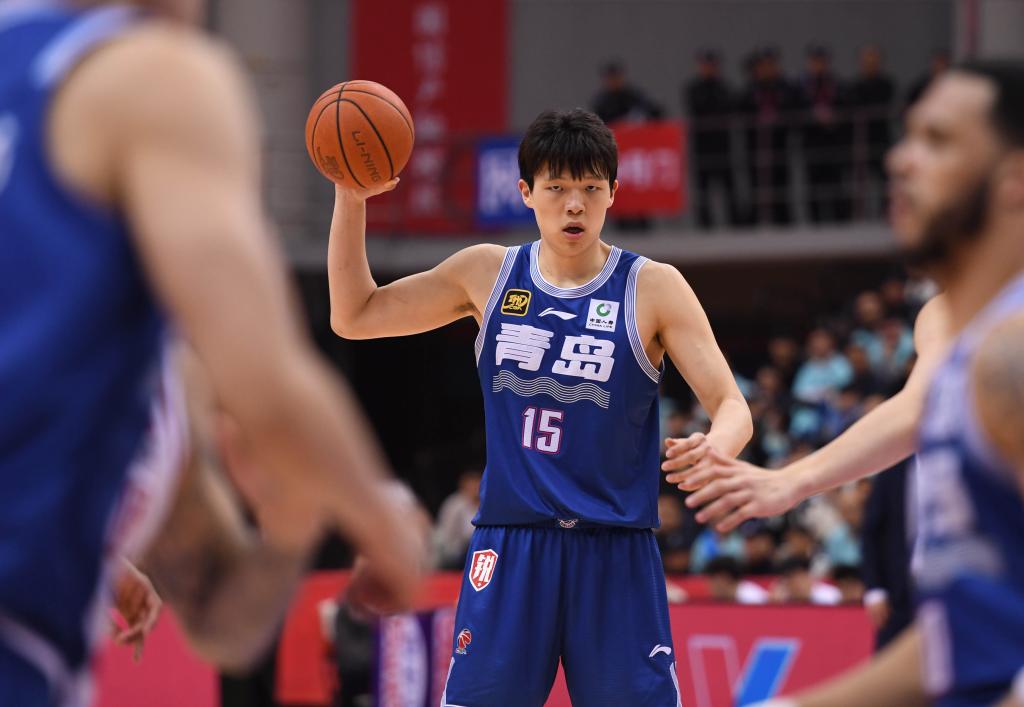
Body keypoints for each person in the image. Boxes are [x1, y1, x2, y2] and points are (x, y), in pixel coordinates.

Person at [0, 2, 421, 703]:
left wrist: (288, 529)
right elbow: (270, 384)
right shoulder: (153, 78)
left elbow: (221, 623)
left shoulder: (151, 384)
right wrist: (383, 520)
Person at [327, 107, 752, 705]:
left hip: (614, 549)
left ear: (614, 193)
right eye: (556, 189)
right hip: (511, 545)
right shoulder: (487, 273)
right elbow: (355, 315)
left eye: (590, 189)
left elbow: (732, 404)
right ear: (526, 193)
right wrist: (351, 198)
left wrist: (716, 447)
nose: (574, 205)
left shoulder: (653, 286)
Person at [686, 61, 1024, 707]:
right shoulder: (947, 329)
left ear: (1015, 180)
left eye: (939, 141)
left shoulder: (1013, 352)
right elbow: (958, 643)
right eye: (907, 137)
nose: (900, 160)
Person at [685, 49, 740, 228]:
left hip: (723, 146)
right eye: (705, 65)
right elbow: (698, 108)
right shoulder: (694, 89)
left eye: (711, 65)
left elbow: (728, 108)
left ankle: (735, 223)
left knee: (728, 186)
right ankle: (705, 225)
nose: (708, 68)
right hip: (702, 147)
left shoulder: (725, 88)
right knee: (703, 188)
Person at [799, 45, 851, 223]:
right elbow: (795, 108)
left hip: (833, 141)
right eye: (815, 61)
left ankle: (840, 219)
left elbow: (846, 106)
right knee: (813, 184)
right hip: (812, 142)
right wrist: (812, 115)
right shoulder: (802, 87)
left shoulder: (836, 84)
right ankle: (815, 220)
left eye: (821, 61)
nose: (818, 65)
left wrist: (834, 116)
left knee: (836, 182)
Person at [848, 45, 896, 217]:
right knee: (859, 182)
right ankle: (859, 215)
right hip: (861, 141)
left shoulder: (887, 84)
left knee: (886, 180)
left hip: (881, 138)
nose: (871, 63)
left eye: (874, 60)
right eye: (867, 60)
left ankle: (886, 213)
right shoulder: (855, 86)